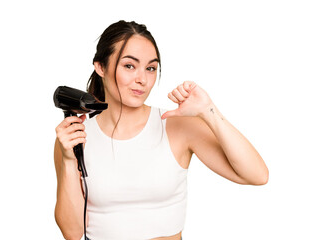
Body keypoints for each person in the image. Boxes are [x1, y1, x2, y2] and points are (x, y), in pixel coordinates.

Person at [53, 20, 269, 240]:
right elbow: (72, 232)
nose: (142, 79)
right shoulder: (76, 136)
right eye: (129, 65)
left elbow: (257, 175)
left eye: (151, 68)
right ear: (100, 67)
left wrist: (208, 111)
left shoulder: (177, 126)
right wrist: (70, 161)